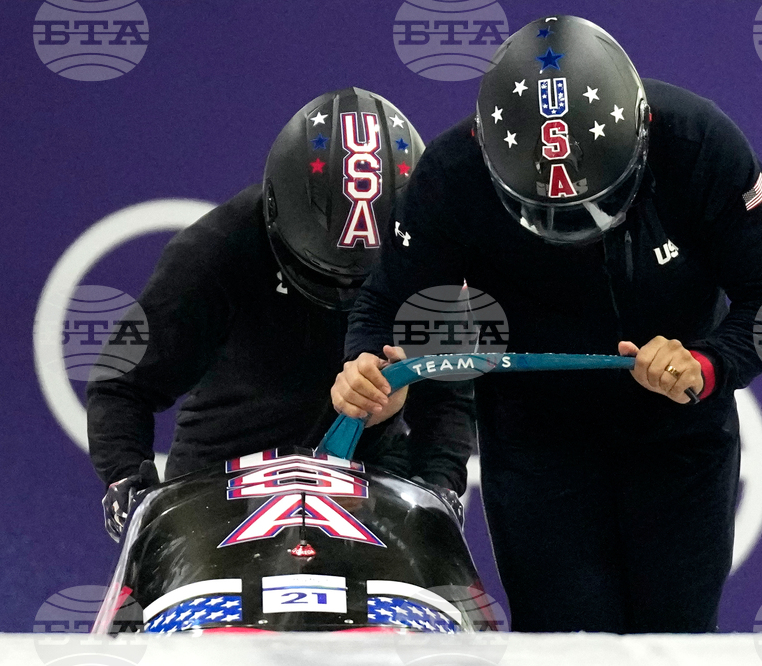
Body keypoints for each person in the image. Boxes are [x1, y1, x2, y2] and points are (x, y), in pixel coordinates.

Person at [332, 17, 762, 633]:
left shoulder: (700, 144)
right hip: (538, 439)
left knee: (675, 639)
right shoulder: (452, 176)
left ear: (641, 135)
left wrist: (707, 362)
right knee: (566, 638)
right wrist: (369, 367)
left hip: (677, 433)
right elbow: (384, 303)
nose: (576, 230)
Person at [88, 88, 474, 542]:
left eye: (365, 281)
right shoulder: (216, 253)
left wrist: (436, 491)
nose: (345, 294)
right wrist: (129, 484)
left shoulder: (426, 255)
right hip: (219, 483)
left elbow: (447, 399)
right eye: (322, 272)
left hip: (369, 484)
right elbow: (122, 384)